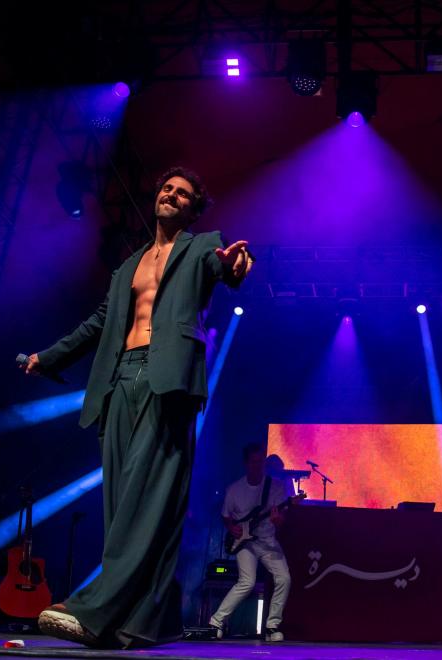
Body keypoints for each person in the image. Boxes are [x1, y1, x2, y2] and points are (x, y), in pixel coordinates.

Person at [23, 166, 253, 648]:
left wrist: (232, 269)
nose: (171, 195)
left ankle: (96, 605)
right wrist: (49, 358)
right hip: (119, 380)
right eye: (166, 189)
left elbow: (223, 268)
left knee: (145, 501)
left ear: (193, 208)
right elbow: (97, 324)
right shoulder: (127, 268)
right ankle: (143, 619)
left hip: (166, 380)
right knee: (122, 502)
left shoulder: (201, 246)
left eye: (183, 193)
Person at [206, 443, 293, 642]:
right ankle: (216, 622)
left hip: (268, 541)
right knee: (247, 582)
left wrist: (277, 520)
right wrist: (232, 528)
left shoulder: (276, 487)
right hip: (244, 543)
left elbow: (282, 520)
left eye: (260, 461)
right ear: (246, 463)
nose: (257, 465)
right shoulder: (234, 489)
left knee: (284, 578)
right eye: (254, 462)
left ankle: (272, 626)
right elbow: (226, 516)